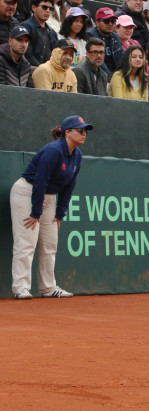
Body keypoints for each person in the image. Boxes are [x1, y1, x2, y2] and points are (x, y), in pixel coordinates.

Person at [10, 115, 92, 299]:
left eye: (85, 130)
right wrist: (36, 212)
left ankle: (48, 287)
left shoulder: (77, 155)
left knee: (50, 243)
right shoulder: (53, 151)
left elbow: (69, 186)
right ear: (67, 133)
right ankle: (20, 287)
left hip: (48, 199)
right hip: (27, 194)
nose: (84, 134)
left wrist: (60, 214)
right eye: (80, 130)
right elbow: (40, 182)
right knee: (27, 242)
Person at [21, 0, 58, 66]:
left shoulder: (52, 32)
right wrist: (42, 70)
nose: (48, 10)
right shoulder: (25, 27)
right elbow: (26, 55)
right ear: (34, 7)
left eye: (51, 8)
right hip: (29, 72)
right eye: (44, 7)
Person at [87, 7, 122, 75]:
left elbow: (121, 58)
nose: (110, 24)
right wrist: (109, 77)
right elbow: (97, 61)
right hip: (96, 75)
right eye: (106, 21)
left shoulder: (115, 37)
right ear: (97, 22)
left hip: (114, 75)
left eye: (113, 21)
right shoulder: (90, 35)